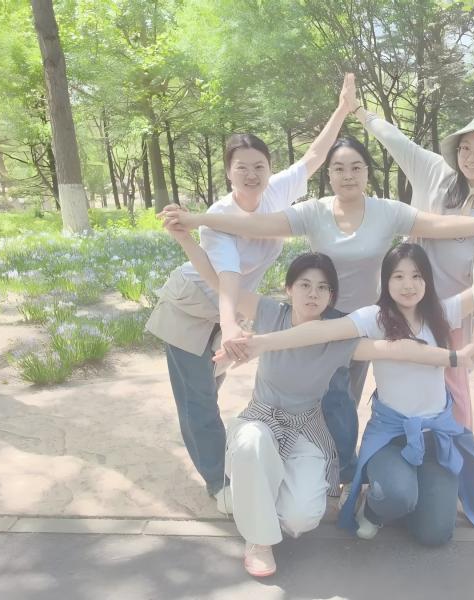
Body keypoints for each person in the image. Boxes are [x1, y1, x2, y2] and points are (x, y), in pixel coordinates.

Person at [159, 136, 474, 484]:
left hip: (364, 323)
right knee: (316, 397)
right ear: (329, 174)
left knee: (345, 402)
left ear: (368, 171)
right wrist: (197, 220)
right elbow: (254, 224)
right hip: (319, 320)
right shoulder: (313, 211)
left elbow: (442, 225)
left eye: (356, 167)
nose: (348, 175)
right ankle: (312, 470)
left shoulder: (387, 211)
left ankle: (340, 471)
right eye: (338, 168)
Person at [168, 229, 474, 576]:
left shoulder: (337, 334)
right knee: (251, 443)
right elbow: (218, 282)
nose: (313, 293)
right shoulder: (269, 312)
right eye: (304, 284)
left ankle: (253, 495)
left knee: (302, 518)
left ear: (332, 296)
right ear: (289, 288)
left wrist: (456, 357)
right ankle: (258, 541)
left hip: (306, 424)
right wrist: (185, 239)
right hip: (261, 418)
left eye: (323, 288)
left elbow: (397, 349)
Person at [218, 242, 474, 547]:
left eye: (416, 276)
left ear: (427, 280)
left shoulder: (442, 313)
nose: (408, 285)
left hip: (435, 435)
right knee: (397, 496)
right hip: (391, 434)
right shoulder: (375, 317)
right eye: (398, 276)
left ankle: (409, 501)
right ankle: (377, 506)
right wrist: (261, 343)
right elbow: (321, 331)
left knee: (435, 534)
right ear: (386, 281)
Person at [144, 74, 355, 506]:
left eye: (259, 165)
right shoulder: (219, 218)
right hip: (191, 308)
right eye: (241, 167)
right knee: (199, 400)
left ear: (269, 169)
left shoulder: (277, 192)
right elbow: (226, 279)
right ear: (228, 172)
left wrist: (342, 109)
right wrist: (231, 325)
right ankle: (219, 485)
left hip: (230, 312)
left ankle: (230, 466)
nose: (252, 174)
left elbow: (315, 156)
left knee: (212, 391)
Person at [353, 103, 474, 429]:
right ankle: (401, 444)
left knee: (452, 386)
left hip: (450, 313)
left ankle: (457, 453)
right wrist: (360, 111)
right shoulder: (435, 172)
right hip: (406, 301)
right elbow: (395, 140)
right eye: (465, 148)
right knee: (401, 376)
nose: (471, 158)